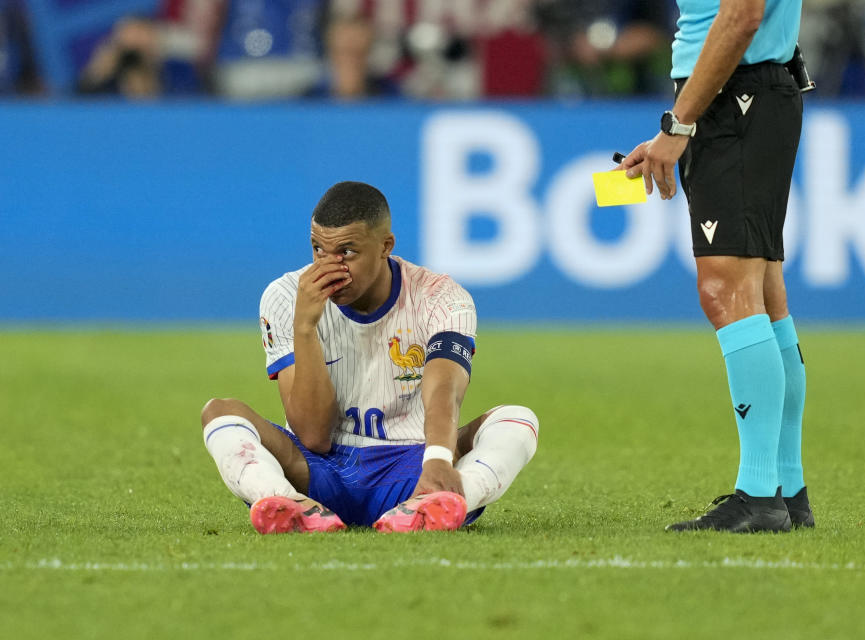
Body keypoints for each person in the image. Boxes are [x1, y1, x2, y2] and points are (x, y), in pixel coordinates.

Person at [200, 181, 539, 533]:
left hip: (413, 466)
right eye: (318, 250)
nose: (330, 269)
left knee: (516, 419)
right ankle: (288, 503)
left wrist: (437, 459)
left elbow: (445, 389)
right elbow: (314, 435)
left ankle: (437, 502)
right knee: (219, 412)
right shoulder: (286, 296)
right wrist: (305, 328)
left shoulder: (441, 297)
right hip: (317, 470)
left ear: (385, 246)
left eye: (347, 252)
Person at [617, 0, 812, 532]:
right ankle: (786, 489)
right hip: (742, 95)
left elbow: (742, 14)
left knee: (726, 290)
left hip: (738, 97)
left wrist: (680, 123)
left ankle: (759, 495)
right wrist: (679, 123)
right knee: (765, 292)